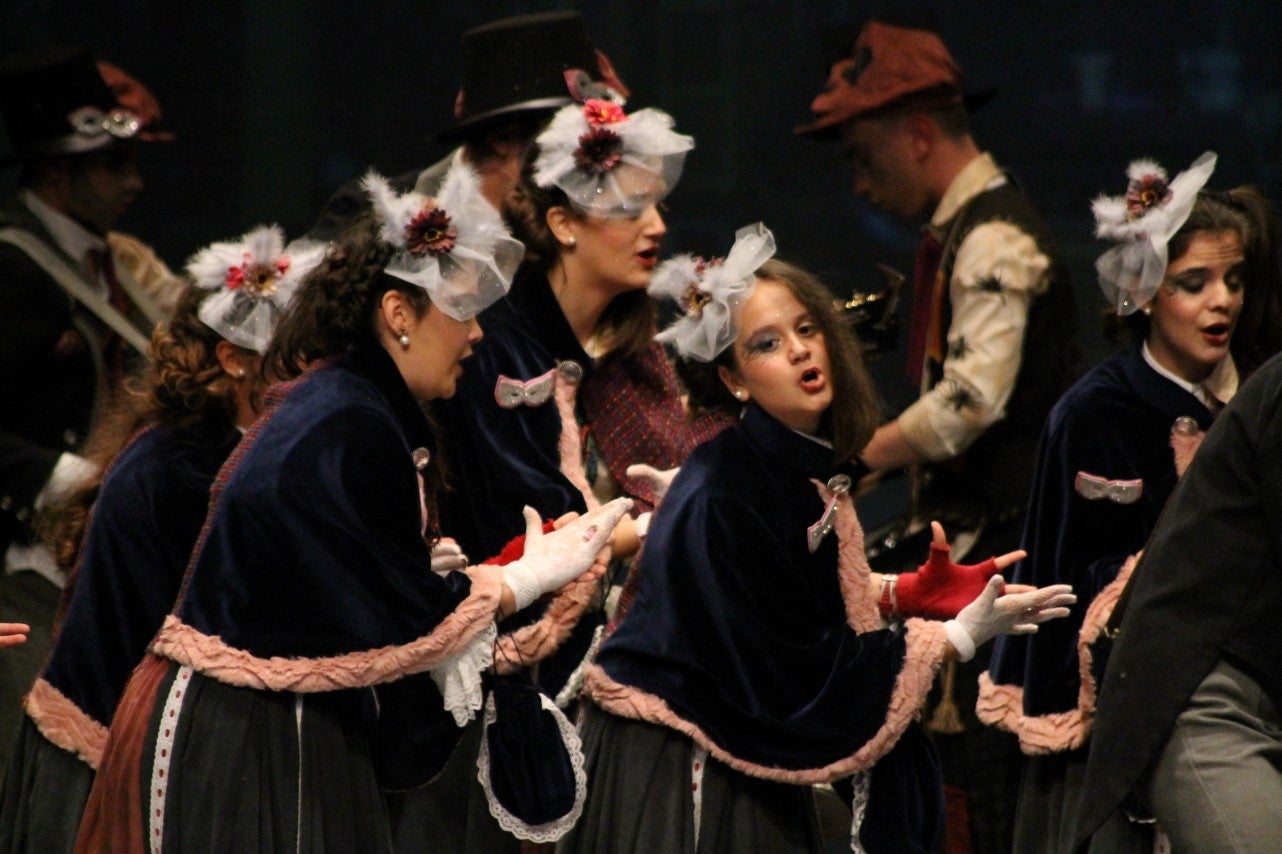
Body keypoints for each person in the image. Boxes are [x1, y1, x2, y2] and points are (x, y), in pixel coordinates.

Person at [74, 162, 631, 851]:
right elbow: (395, 613)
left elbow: (353, 585)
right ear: (399, 315)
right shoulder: (342, 422)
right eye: (461, 311)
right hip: (248, 730)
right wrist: (518, 579)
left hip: (285, 717)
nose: (478, 335)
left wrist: (450, 568)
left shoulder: (358, 407)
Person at [558, 224, 1074, 853]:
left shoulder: (787, 468)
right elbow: (785, 673)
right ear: (734, 381)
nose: (802, 351)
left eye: (807, 329)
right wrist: (952, 639)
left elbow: (787, 596)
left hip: (723, 745)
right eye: (768, 343)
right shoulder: (725, 489)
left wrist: (902, 593)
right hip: (680, 763)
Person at [796, 18, 1077, 850]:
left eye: (862, 154)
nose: (857, 181)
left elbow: (967, 403)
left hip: (1009, 553)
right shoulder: (959, 241)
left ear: (918, 134)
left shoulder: (993, 237)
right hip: (977, 545)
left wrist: (854, 459)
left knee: (986, 788)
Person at [416, 92, 715, 853]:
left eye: (658, 206)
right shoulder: (497, 344)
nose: (657, 227)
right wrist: (677, 519)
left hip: (573, 671)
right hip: (478, 685)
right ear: (562, 224)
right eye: (629, 207)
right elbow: (532, 528)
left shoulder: (621, 353)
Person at [980, 152, 1282, 852]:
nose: (1222, 302)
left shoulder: (1259, 399)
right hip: (1126, 684)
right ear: (1144, 290)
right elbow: (1061, 564)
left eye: (1234, 281)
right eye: (1194, 284)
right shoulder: (1095, 414)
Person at [0, 227, 322, 851]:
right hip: (113, 763)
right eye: (294, 354)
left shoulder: (231, 449)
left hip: (170, 747)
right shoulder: (180, 468)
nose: (310, 372)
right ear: (234, 360)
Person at [0, 45, 181, 770]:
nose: (132, 180)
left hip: (98, 550)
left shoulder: (112, 262)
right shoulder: (13, 265)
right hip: (28, 559)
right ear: (54, 168)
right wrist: (69, 477)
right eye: (111, 163)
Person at [308, 10, 628, 240]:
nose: (592, 169)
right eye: (574, 146)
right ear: (503, 138)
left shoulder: (578, 239)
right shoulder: (368, 218)